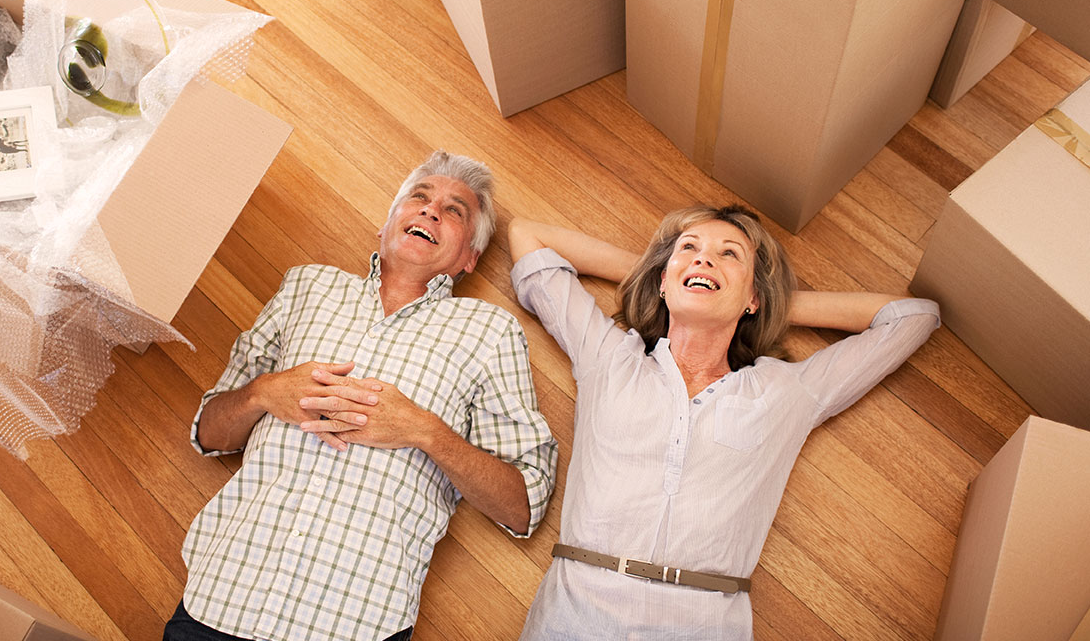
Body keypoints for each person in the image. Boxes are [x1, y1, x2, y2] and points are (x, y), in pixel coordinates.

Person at [165, 151, 557, 641]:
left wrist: (423, 431)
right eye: (419, 197)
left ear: (469, 258)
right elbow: (208, 434)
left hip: (354, 625)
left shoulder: (490, 332)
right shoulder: (305, 286)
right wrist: (264, 393)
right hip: (221, 602)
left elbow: (522, 506)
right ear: (386, 224)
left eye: (454, 210)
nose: (431, 210)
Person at [508, 205, 940, 640]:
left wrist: (758, 302)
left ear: (755, 298)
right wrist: (665, 277)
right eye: (689, 249)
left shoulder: (785, 392)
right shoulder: (609, 357)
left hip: (704, 621)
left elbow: (912, 317)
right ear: (662, 281)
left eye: (729, 254)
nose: (703, 258)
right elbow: (527, 234)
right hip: (576, 608)